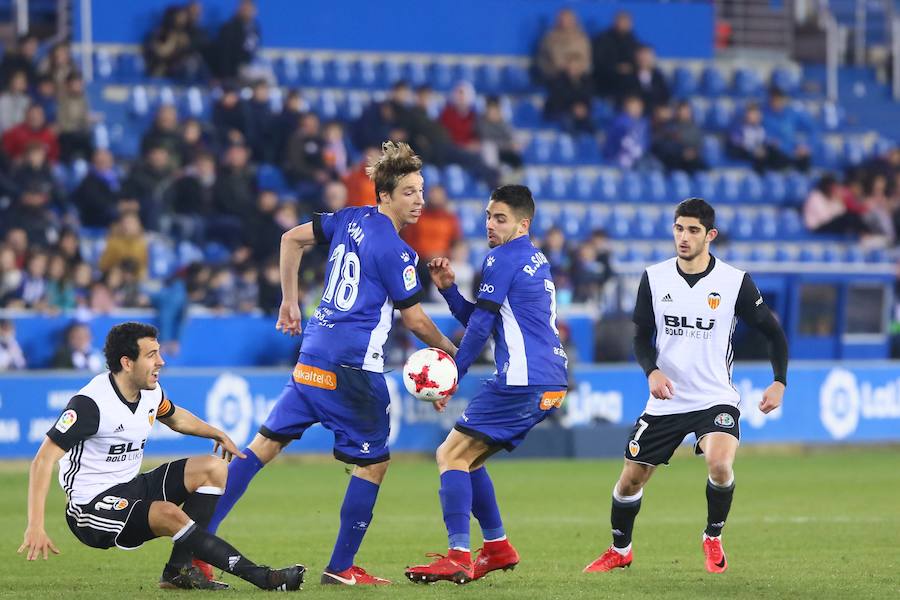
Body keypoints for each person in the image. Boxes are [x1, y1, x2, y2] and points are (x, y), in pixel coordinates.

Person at [201, 141, 457, 586]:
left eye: (421, 191)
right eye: (410, 192)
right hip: (351, 369)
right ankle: (341, 568)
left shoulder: (350, 218)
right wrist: (454, 355)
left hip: (313, 357)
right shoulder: (397, 252)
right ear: (386, 195)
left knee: (261, 447)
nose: (419, 200)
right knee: (373, 464)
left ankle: (197, 546)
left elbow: (290, 239)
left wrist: (289, 303)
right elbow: (415, 319)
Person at [583, 198, 788, 575]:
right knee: (630, 481)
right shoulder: (654, 277)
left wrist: (779, 381)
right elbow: (642, 338)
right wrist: (652, 372)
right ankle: (620, 549)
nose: (684, 237)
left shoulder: (734, 282)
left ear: (710, 235)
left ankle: (712, 536)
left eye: (693, 230)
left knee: (720, 463)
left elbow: (774, 334)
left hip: (715, 397)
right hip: (667, 400)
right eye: (679, 228)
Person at [18, 322, 305, 591]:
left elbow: (175, 416)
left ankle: (178, 571)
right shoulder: (90, 405)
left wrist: (216, 433)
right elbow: (43, 460)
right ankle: (264, 578)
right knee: (170, 515)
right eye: (152, 355)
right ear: (127, 363)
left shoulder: (150, 392)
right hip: (90, 508)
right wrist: (35, 525)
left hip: (130, 487)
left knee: (214, 468)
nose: (161, 362)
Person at [405, 185, 569, 584]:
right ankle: (496, 548)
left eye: (500, 218)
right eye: (488, 216)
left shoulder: (500, 258)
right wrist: (448, 290)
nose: (490, 225)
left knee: (450, 455)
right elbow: (490, 321)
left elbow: (480, 328)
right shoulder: (533, 258)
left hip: (522, 381)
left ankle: (459, 555)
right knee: (470, 457)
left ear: (522, 224)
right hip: (547, 380)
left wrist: (450, 377)